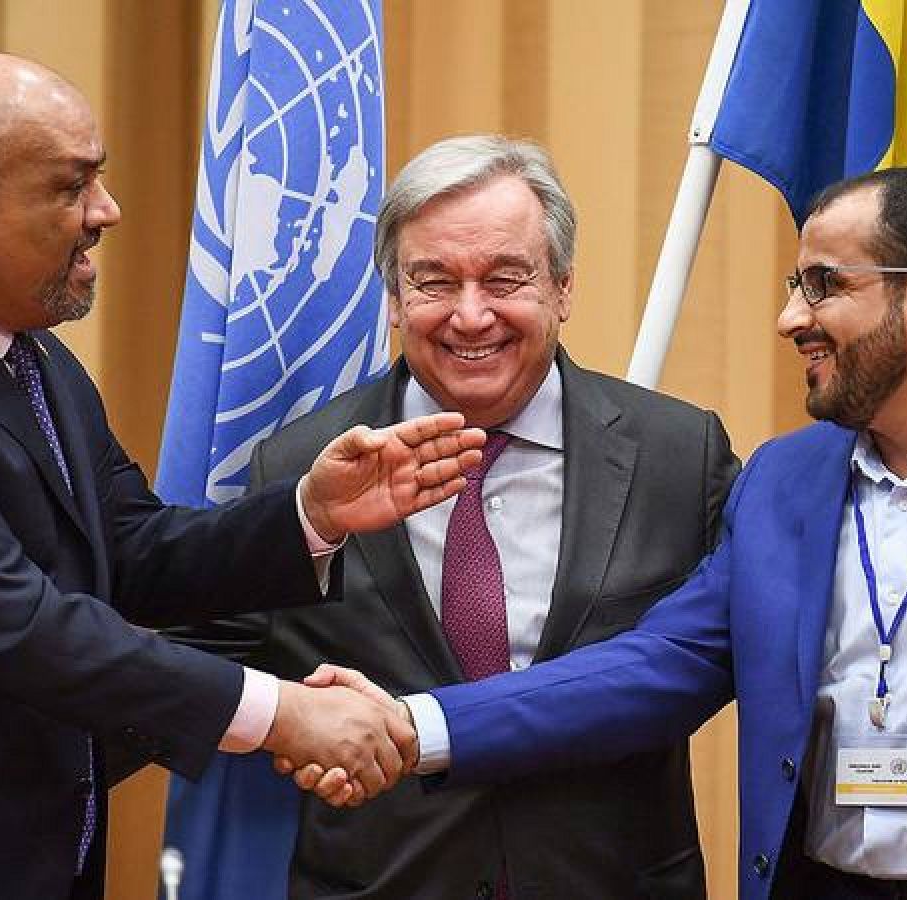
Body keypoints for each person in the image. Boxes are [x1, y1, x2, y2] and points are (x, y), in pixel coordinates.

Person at [303, 167, 907, 898]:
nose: (790, 317)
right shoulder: (781, 481)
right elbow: (652, 666)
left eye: (822, 284)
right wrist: (414, 723)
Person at [0, 53, 478, 900]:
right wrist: (282, 715)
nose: (106, 211)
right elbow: (18, 624)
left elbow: (133, 551)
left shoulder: (28, 357)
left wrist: (308, 515)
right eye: (72, 187)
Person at [173, 135, 739, 899]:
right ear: (396, 298)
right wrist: (295, 720)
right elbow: (194, 658)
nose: (471, 317)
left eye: (506, 278)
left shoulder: (678, 456)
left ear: (564, 288)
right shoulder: (303, 466)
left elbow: (724, 655)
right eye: (434, 282)